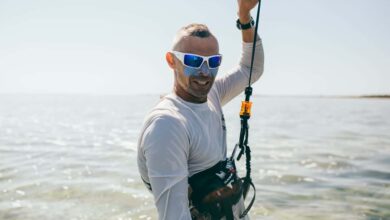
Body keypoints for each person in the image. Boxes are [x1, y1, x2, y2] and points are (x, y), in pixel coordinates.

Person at [137, 0, 264, 219]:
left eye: (213, 61)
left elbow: (251, 68)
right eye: (193, 60)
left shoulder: (212, 94)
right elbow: (174, 215)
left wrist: (244, 16)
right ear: (171, 61)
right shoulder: (168, 125)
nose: (205, 72)